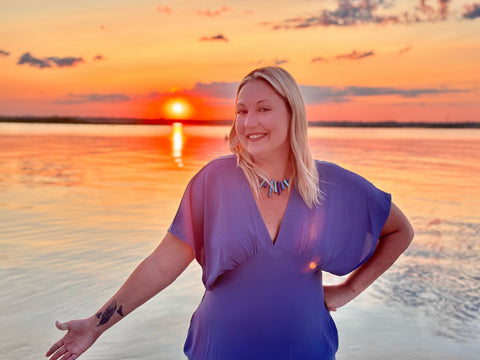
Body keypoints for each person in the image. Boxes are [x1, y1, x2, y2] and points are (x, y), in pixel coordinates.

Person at [46, 66, 414, 360]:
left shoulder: (331, 185)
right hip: (220, 350)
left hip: (306, 352)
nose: (249, 122)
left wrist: (347, 290)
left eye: (263, 109)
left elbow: (399, 232)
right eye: (241, 110)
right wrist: (96, 325)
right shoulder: (214, 182)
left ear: (292, 113)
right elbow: (162, 264)